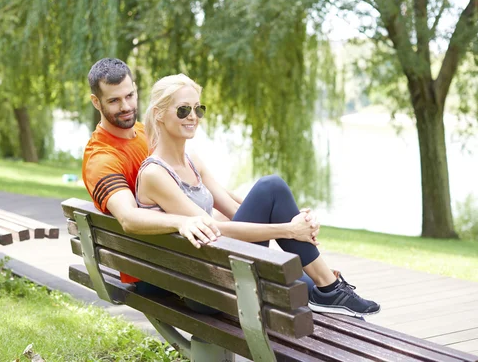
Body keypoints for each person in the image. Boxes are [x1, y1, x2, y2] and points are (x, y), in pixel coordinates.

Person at [82, 58, 379, 317]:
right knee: (273, 194)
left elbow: (220, 201)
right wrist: (286, 230)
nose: (127, 106)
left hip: (197, 257)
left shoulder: (149, 135)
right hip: (177, 273)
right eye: (114, 100)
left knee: (306, 282)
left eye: (130, 95)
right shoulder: (105, 158)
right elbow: (130, 218)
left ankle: (329, 286)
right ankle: (330, 287)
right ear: (97, 102)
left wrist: (286, 220)